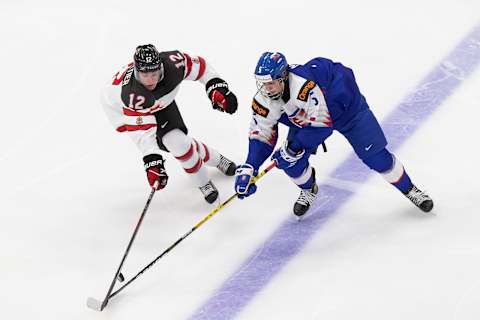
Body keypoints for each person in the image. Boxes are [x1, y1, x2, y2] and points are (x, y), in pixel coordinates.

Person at [234, 52, 434, 217]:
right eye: (262, 84)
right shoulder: (264, 98)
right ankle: (309, 188)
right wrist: (250, 166)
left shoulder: (303, 87)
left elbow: (322, 126)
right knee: (291, 163)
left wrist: (293, 148)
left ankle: (409, 188)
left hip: (347, 110)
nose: (266, 90)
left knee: (377, 159)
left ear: (284, 77)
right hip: (307, 117)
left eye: (270, 84)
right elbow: (261, 133)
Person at [101, 44, 238, 203]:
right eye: (145, 75)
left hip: (160, 103)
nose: (151, 80)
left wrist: (215, 86)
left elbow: (201, 67)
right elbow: (142, 133)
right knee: (176, 143)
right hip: (123, 112)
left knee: (178, 143)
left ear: (161, 67)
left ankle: (209, 171)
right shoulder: (131, 95)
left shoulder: (174, 64)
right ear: (137, 72)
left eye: (154, 73)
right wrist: (152, 161)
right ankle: (208, 175)